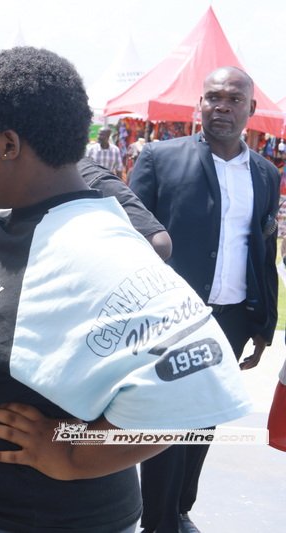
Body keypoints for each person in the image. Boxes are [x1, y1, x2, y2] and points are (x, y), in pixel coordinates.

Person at [0, 46, 251, 533]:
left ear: (8, 145)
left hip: (14, 516)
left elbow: (199, 377)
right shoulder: (3, 223)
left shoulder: (93, 245)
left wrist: (71, 450)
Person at [129, 66, 280, 533]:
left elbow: (263, 250)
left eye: (233, 99)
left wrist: (264, 322)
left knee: (206, 416)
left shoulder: (265, 173)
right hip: (171, 319)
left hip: (231, 319)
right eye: (214, 97)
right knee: (168, 418)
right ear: (200, 104)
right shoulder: (160, 158)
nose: (222, 107)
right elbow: (127, 237)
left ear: (251, 108)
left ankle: (179, 509)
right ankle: (158, 521)